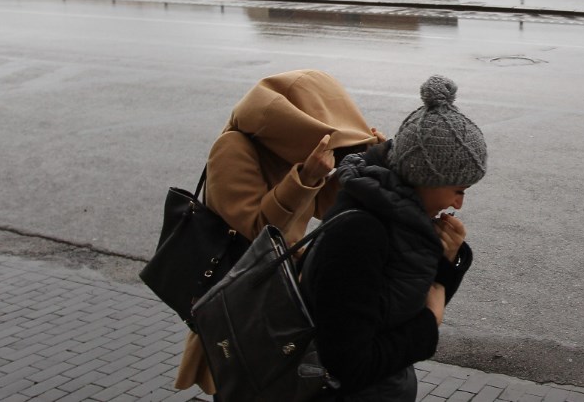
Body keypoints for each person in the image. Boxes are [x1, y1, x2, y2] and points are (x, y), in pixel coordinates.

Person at [175, 69, 385, 395]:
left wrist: (370, 163)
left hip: (283, 302)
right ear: (296, 123)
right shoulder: (233, 147)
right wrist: (304, 180)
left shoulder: (293, 148)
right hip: (241, 307)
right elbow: (256, 235)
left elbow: (332, 210)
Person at [301, 74, 488, 401]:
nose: (459, 204)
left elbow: (417, 295)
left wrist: (452, 257)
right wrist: (429, 325)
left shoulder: (399, 218)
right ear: (425, 177)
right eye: (458, 190)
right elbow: (350, 364)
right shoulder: (360, 235)